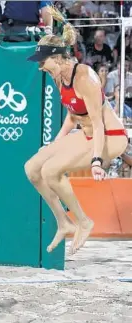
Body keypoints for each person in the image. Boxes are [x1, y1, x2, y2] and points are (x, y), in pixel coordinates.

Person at [25, 7, 128, 255]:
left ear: (58, 58)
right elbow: (73, 117)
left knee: (50, 170)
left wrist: (95, 161)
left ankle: (84, 221)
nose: (40, 67)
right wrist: (54, 144)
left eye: (43, 62)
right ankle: (64, 222)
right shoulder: (58, 76)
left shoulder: (86, 78)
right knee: (31, 168)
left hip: (111, 138)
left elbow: (99, 123)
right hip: (87, 133)